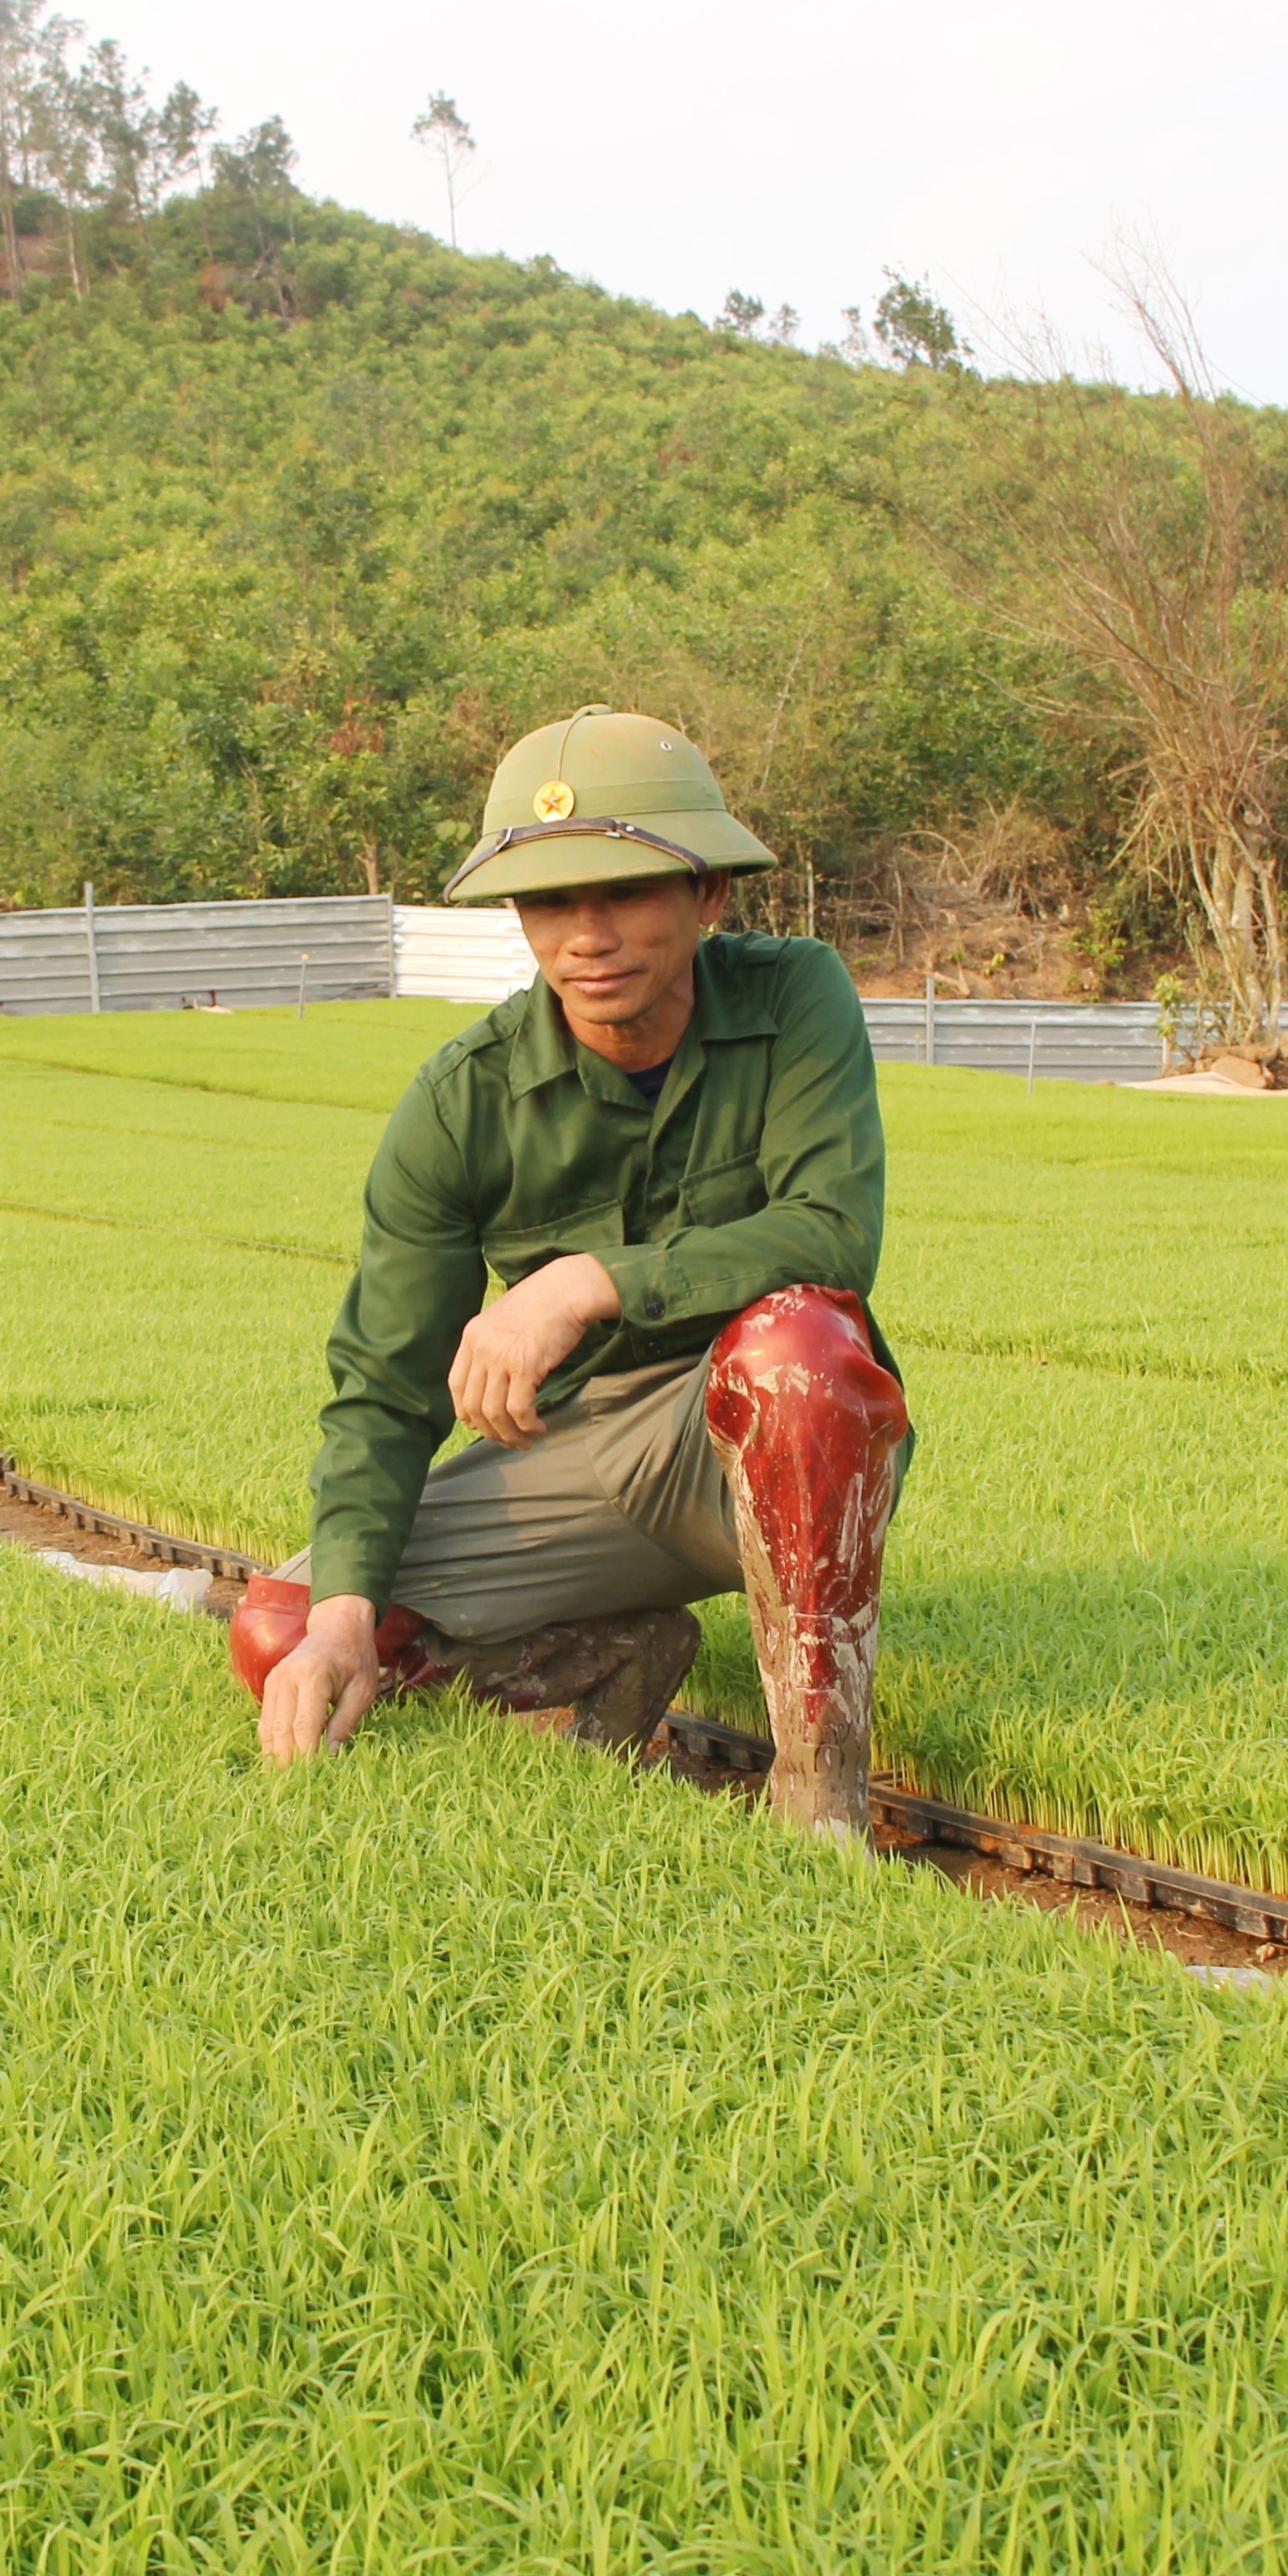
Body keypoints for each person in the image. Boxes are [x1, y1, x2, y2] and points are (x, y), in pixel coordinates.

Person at [228, 705, 912, 1841]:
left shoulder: (797, 1001)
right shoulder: (463, 1103)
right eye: (550, 900)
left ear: (708, 897)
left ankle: (818, 1794)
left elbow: (833, 1234)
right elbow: (385, 1390)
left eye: (627, 892)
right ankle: (619, 1652)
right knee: (288, 1627)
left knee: (798, 1344)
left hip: (757, 1440)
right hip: (583, 1456)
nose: (588, 935)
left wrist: (583, 1280)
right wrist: (345, 1615)